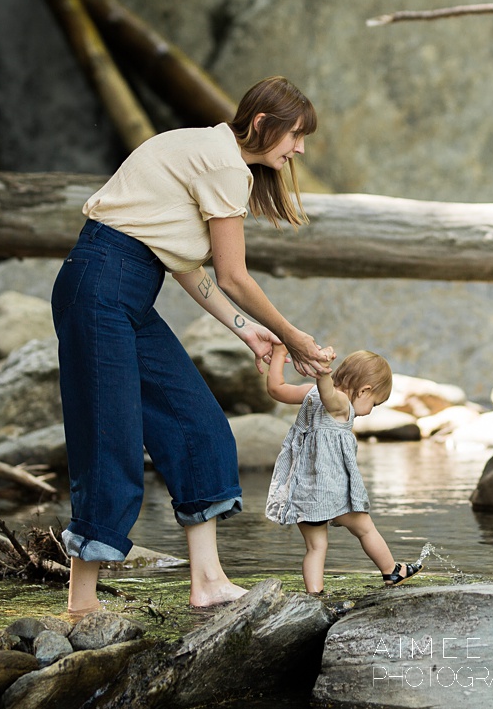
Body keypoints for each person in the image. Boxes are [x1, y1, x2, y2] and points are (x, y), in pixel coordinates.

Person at [51, 76, 336, 614]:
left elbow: (183, 262)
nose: (299, 149)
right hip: (99, 287)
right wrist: (295, 338)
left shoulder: (205, 151)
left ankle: (208, 581)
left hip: (122, 292)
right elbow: (234, 276)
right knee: (109, 438)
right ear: (260, 124)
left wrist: (245, 329)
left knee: (195, 422)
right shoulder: (224, 163)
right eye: (295, 136)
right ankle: (81, 601)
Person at [263, 343, 425, 596]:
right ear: (364, 390)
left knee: (316, 547)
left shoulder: (309, 394)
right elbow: (330, 396)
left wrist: (279, 353)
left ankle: (314, 595)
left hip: (304, 493)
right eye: (375, 403)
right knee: (365, 528)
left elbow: (276, 389)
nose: (370, 411)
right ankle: (392, 570)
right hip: (332, 492)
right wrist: (323, 370)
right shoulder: (341, 405)